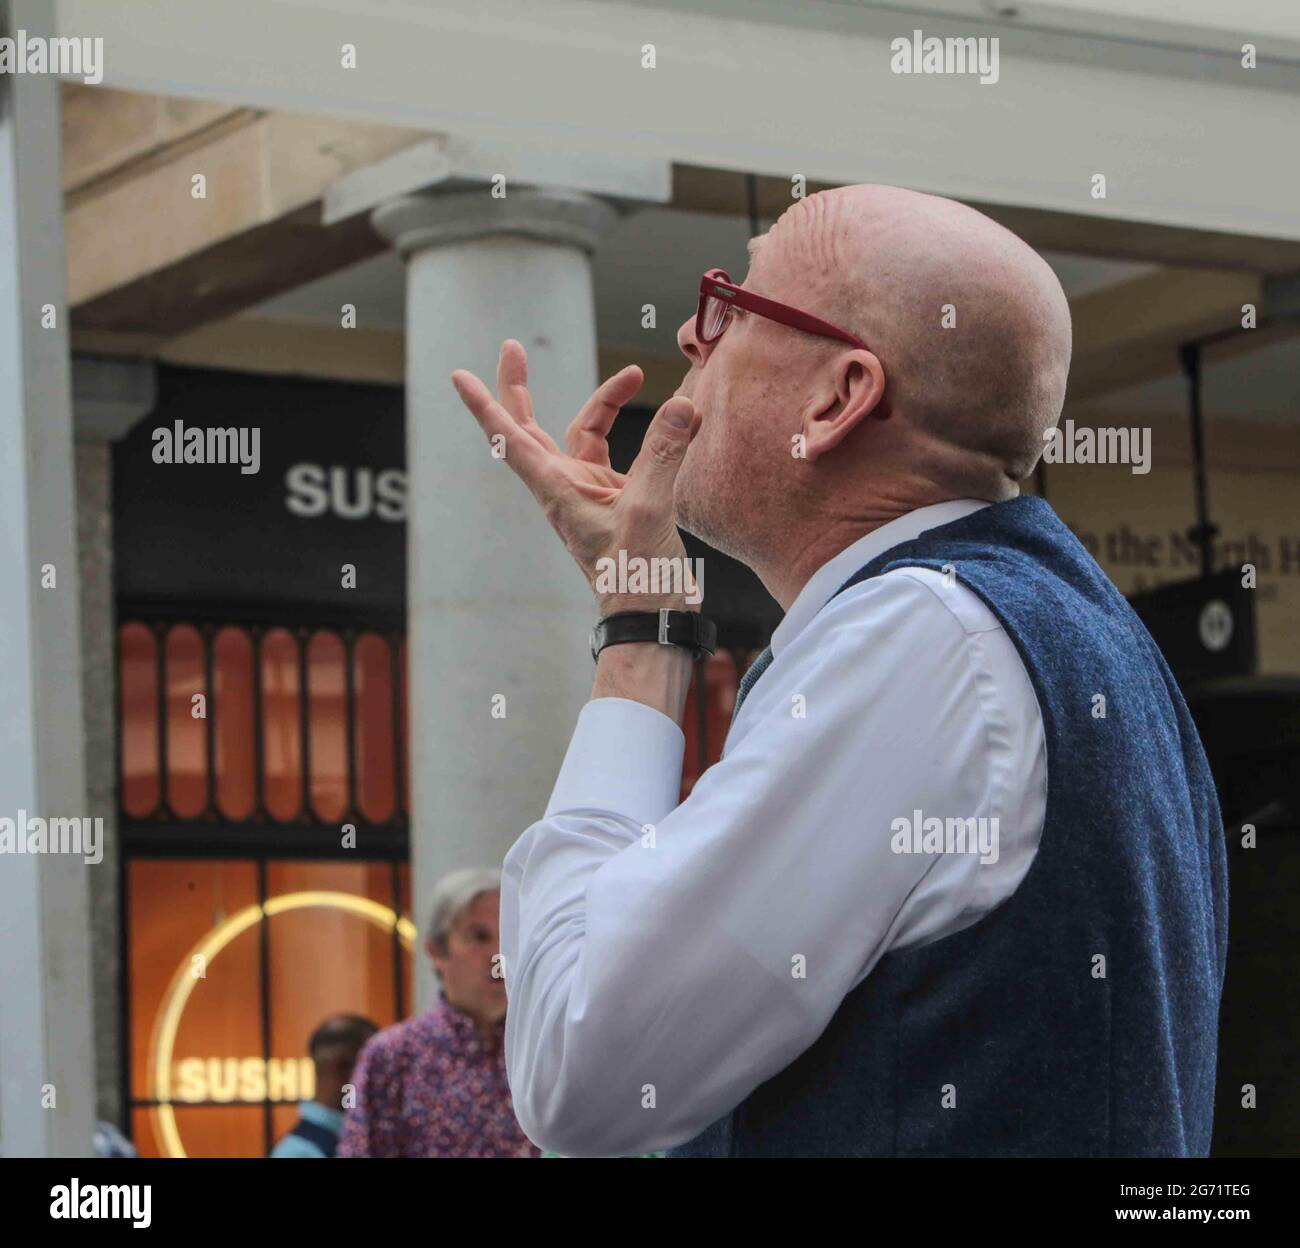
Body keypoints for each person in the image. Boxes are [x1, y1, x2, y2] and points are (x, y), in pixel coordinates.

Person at [449, 183, 1229, 1158]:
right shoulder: (1037, 625)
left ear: (838, 396)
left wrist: (639, 647)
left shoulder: (921, 639)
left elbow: (583, 1076)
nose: (694, 339)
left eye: (731, 309)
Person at [336, 868, 539, 1157]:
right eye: (479, 937)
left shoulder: (544, 1048)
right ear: (436, 951)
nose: (499, 954)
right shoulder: (394, 1057)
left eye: (509, 937)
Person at [270, 1014, 377, 1157]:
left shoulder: (357, 1134)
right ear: (343, 1068)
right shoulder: (299, 1153)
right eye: (375, 1068)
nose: (383, 1081)